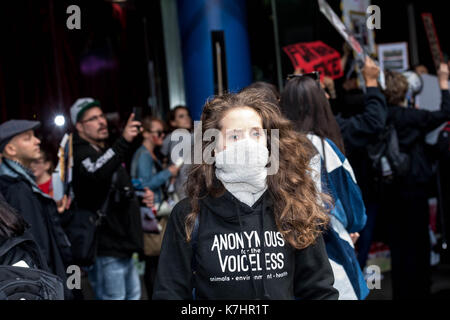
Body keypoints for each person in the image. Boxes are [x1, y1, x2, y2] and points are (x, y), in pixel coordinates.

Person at [153, 89, 338, 300]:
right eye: (234, 136)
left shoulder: (293, 206)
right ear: (213, 147)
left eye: (255, 134)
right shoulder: (189, 215)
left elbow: (319, 291)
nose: (247, 145)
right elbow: (169, 294)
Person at [280, 73, 369, 300]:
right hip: (330, 257)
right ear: (319, 104)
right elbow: (353, 209)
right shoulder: (322, 148)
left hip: (286, 262)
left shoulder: (274, 149)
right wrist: (350, 227)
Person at [70, 97, 153, 300]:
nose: (101, 122)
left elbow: (112, 189)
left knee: (134, 297)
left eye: (101, 116)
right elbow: (96, 172)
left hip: (123, 244)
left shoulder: (104, 151)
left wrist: (141, 197)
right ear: (80, 126)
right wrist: (123, 141)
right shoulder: (81, 153)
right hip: (106, 248)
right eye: (93, 118)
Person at [381, 63, 450, 299]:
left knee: (399, 246)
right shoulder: (413, 116)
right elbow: (445, 112)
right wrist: (443, 84)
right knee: (418, 243)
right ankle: (420, 290)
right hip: (415, 187)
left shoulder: (380, 118)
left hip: (390, 188)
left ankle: (402, 292)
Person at [0, 119, 73, 299]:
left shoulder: (21, 182)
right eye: (27, 138)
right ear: (10, 149)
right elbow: (36, 244)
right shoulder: (16, 188)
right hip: (47, 280)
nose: (37, 141)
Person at [131, 116, 179, 298]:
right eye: (159, 132)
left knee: (156, 258)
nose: (162, 135)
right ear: (146, 133)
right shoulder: (144, 155)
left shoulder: (151, 154)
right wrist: (168, 173)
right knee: (153, 258)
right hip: (150, 212)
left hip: (154, 211)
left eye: (163, 132)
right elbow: (145, 185)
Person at [161, 106, 192, 200]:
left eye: (187, 115)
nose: (187, 118)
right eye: (181, 116)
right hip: (185, 187)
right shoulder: (179, 137)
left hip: (182, 186)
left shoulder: (169, 139)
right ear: (173, 122)